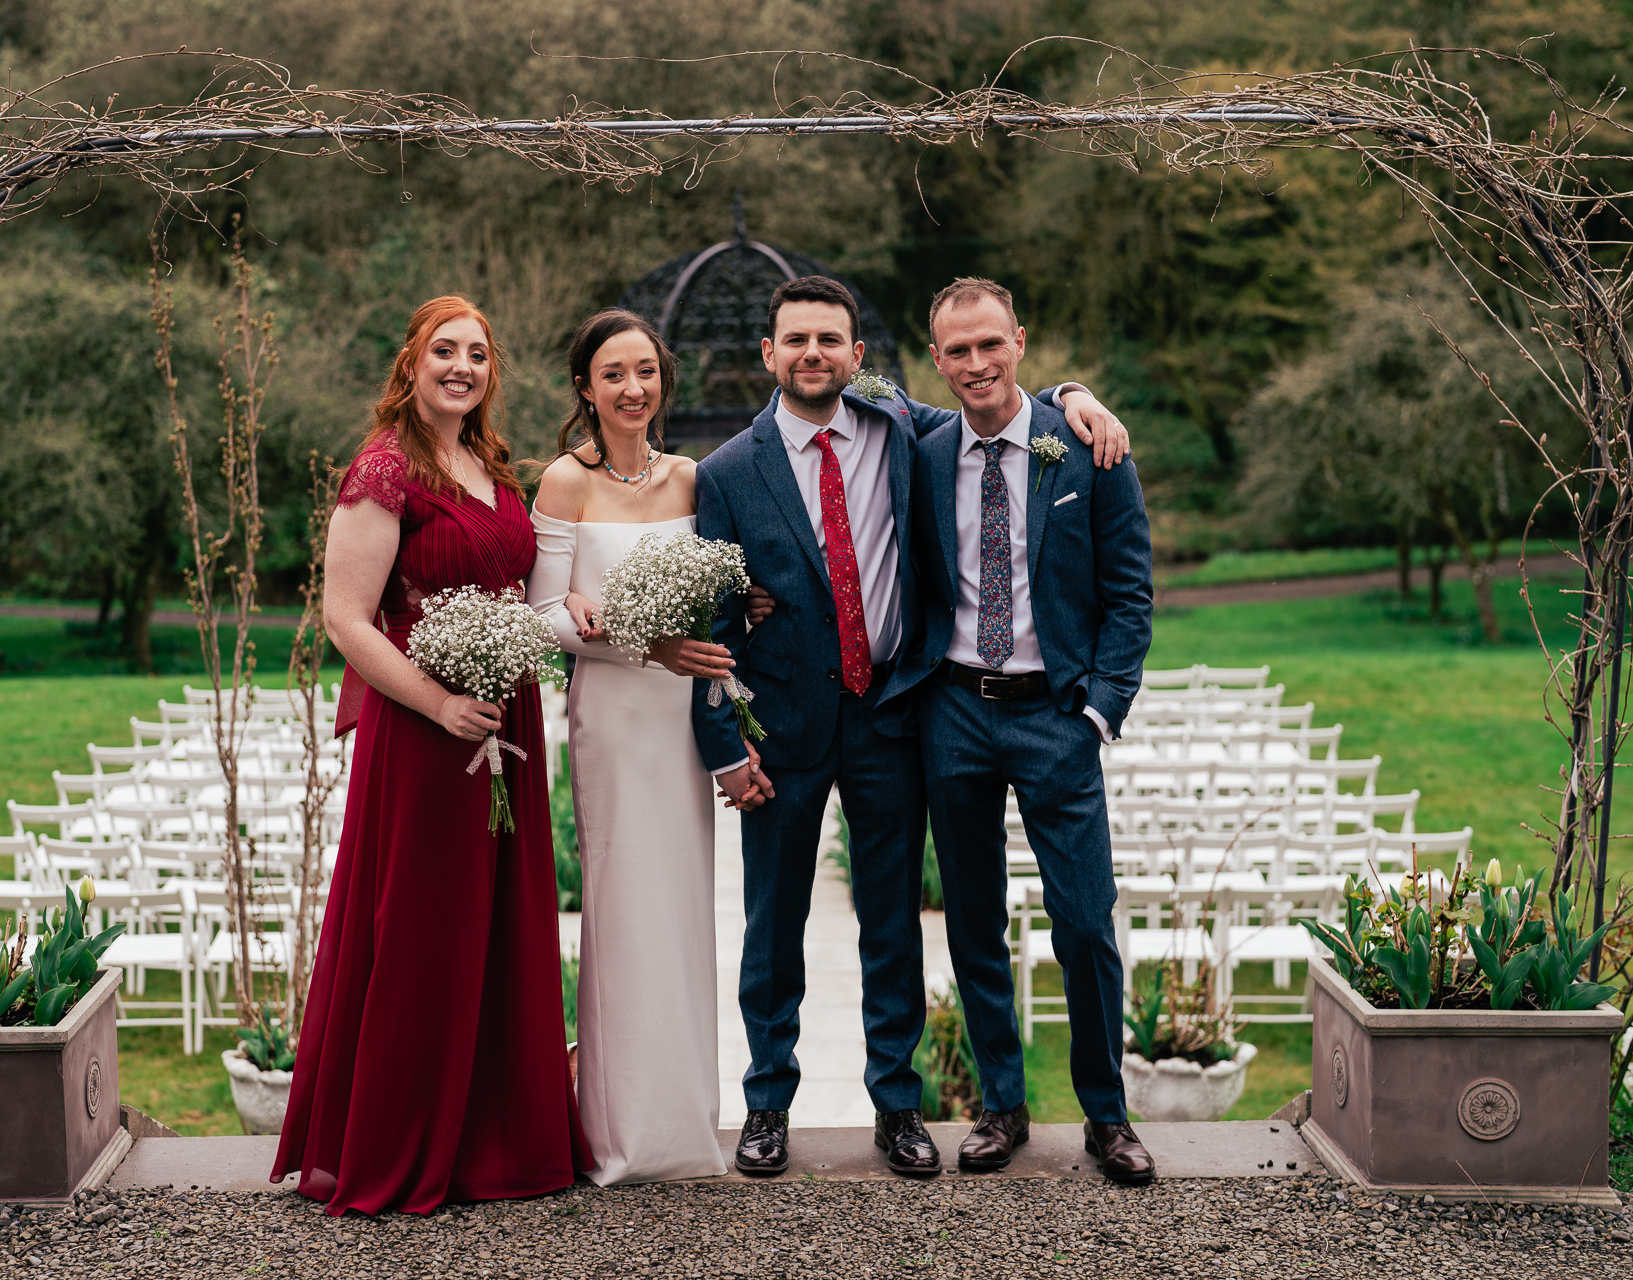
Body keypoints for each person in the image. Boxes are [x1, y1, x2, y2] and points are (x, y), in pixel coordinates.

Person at [690, 275, 1129, 1178]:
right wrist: (724, 744)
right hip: (788, 727)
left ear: (860, 359)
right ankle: (766, 1101)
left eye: (832, 340)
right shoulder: (727, 473)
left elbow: (1003, 405)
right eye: (796, 340)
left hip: (894, 715)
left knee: (895, 922)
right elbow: (712, 618)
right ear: (768, 355)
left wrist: (1072, 397)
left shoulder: (905, 436)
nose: (814, 353)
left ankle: (899, 1105)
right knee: (775, 923)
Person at [272, 296, 591, 1216]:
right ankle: (407, 1143)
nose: (462, 366)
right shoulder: (382, 471)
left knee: (501, 926)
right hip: (425, 732)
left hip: (508, 719)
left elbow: (518, 586)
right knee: (425, 929)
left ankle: (496, 1140)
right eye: (444, 350)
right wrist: (441, 703)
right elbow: (345, 617)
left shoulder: (489, 463)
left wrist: (561, 621)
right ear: (411, 362)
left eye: (478, 353)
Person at [895, 277, 1156, 1183]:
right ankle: (1001, 1106)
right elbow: (839, 383)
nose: (976, 364)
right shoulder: (921, 449)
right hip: (955, 713)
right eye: (957, 351)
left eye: (990, 345)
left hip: (1057, 714)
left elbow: (1130, 596)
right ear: (936, 360)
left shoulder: (1083, 452)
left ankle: (1107, 1115)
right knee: (972, 922)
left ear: (1019, 342)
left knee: (1085, 923)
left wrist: (1098, 711)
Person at [526, 309, 745, 1185]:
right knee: (622, 907)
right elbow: (543, 612)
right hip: (614, 715)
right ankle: (617, 1131)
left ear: (664, 380)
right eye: (613, 373)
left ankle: (686, 1124)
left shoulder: (695, 479)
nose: (632, 388)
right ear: (585, 387)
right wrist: (627, 640)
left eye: (646, 371)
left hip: (681, 716)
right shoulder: (563, 482)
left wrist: (745, 609)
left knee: (685, 908)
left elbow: (728, 583)